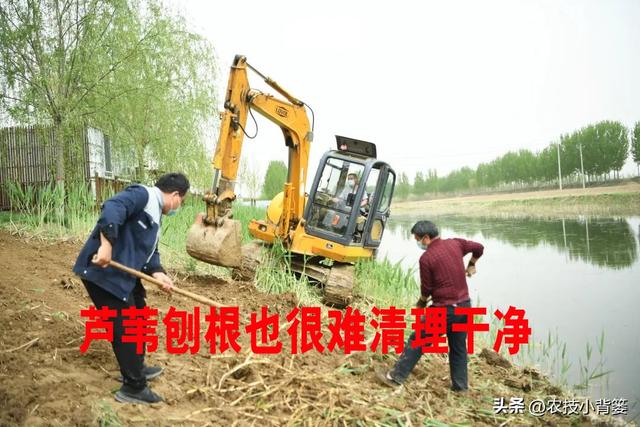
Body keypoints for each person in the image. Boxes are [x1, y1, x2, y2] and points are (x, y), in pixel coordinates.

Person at [73, 172, 189, 404]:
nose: (179, 206)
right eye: (181, 202)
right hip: (103, 272)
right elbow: (112, 208)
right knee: (125, 326)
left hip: (124, 275)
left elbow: (149, 254)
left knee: (140, 315)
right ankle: (133, 387)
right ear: (175, 195)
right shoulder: (142, 195)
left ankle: (136, 366)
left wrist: (159, 274)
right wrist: (107, 245)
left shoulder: (156, 215)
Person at [378, 220, 484, 392]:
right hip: (465, 306)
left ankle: (395, 377)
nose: (418, 243)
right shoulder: (455, 244)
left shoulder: (426, 258)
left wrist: (421, 303)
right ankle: (460, 387)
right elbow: (479, 247)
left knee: (417, 339)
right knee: (458, 348)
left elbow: (427, 288)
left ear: (426, 238)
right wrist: (472, 264)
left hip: (445, 310)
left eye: (418, 239)